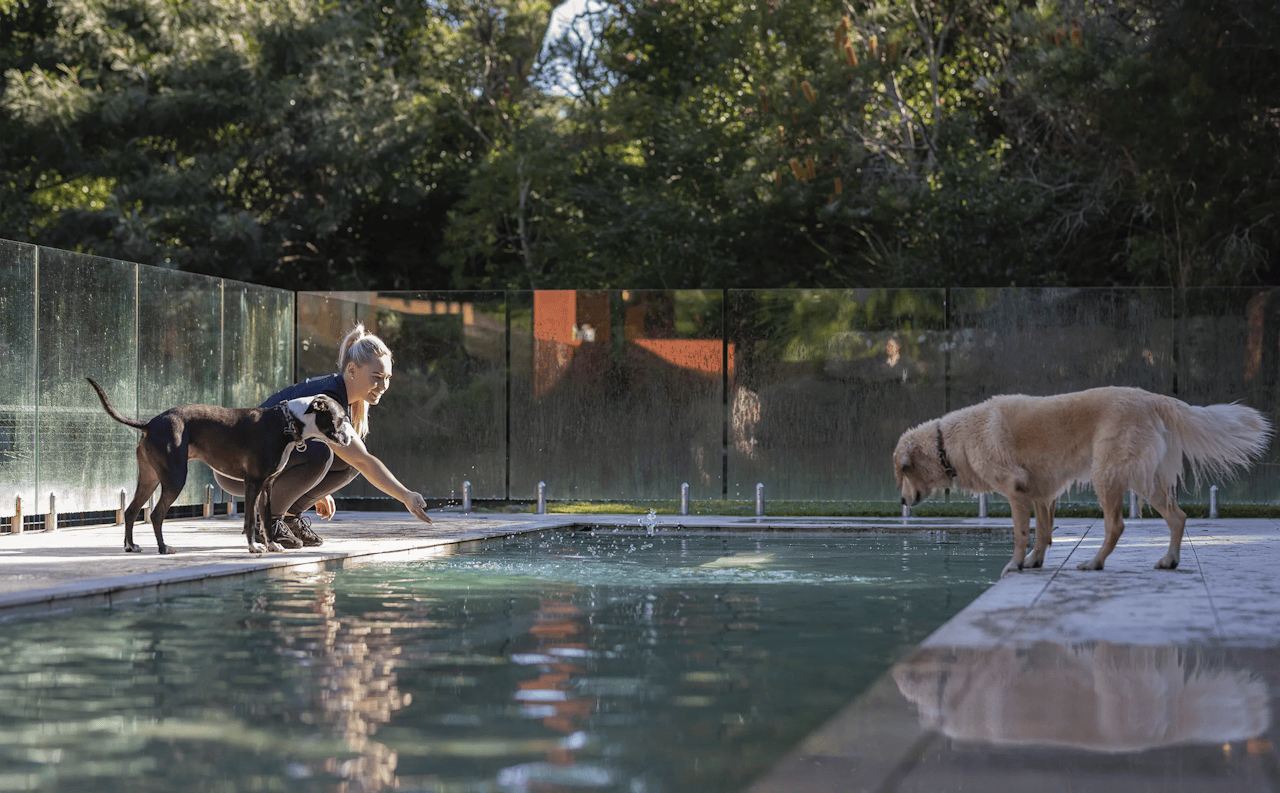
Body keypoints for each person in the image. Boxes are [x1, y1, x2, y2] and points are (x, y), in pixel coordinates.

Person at [214, 323, 432, 547]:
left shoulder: (339, 394)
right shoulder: (329, 398)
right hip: (234, 468)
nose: (384, 385)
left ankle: (289, 517)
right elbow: (363, 460)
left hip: (259, 464)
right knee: (322, 453)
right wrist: (405, 495)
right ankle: (267, 523)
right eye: (377, 376)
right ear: (352, 371)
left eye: (387, 377)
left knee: (347, 463)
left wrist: (309, 488)